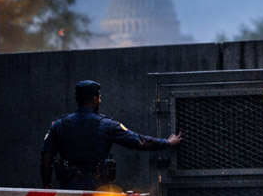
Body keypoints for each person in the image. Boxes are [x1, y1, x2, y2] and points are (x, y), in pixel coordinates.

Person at [40, 80, 183, 190]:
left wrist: (47, 185)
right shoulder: (107, 125)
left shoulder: (59, 124)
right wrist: (167, 142)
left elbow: (46, 158)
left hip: (68, 189)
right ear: (96, 99)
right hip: (98, 189)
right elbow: (140, 142)